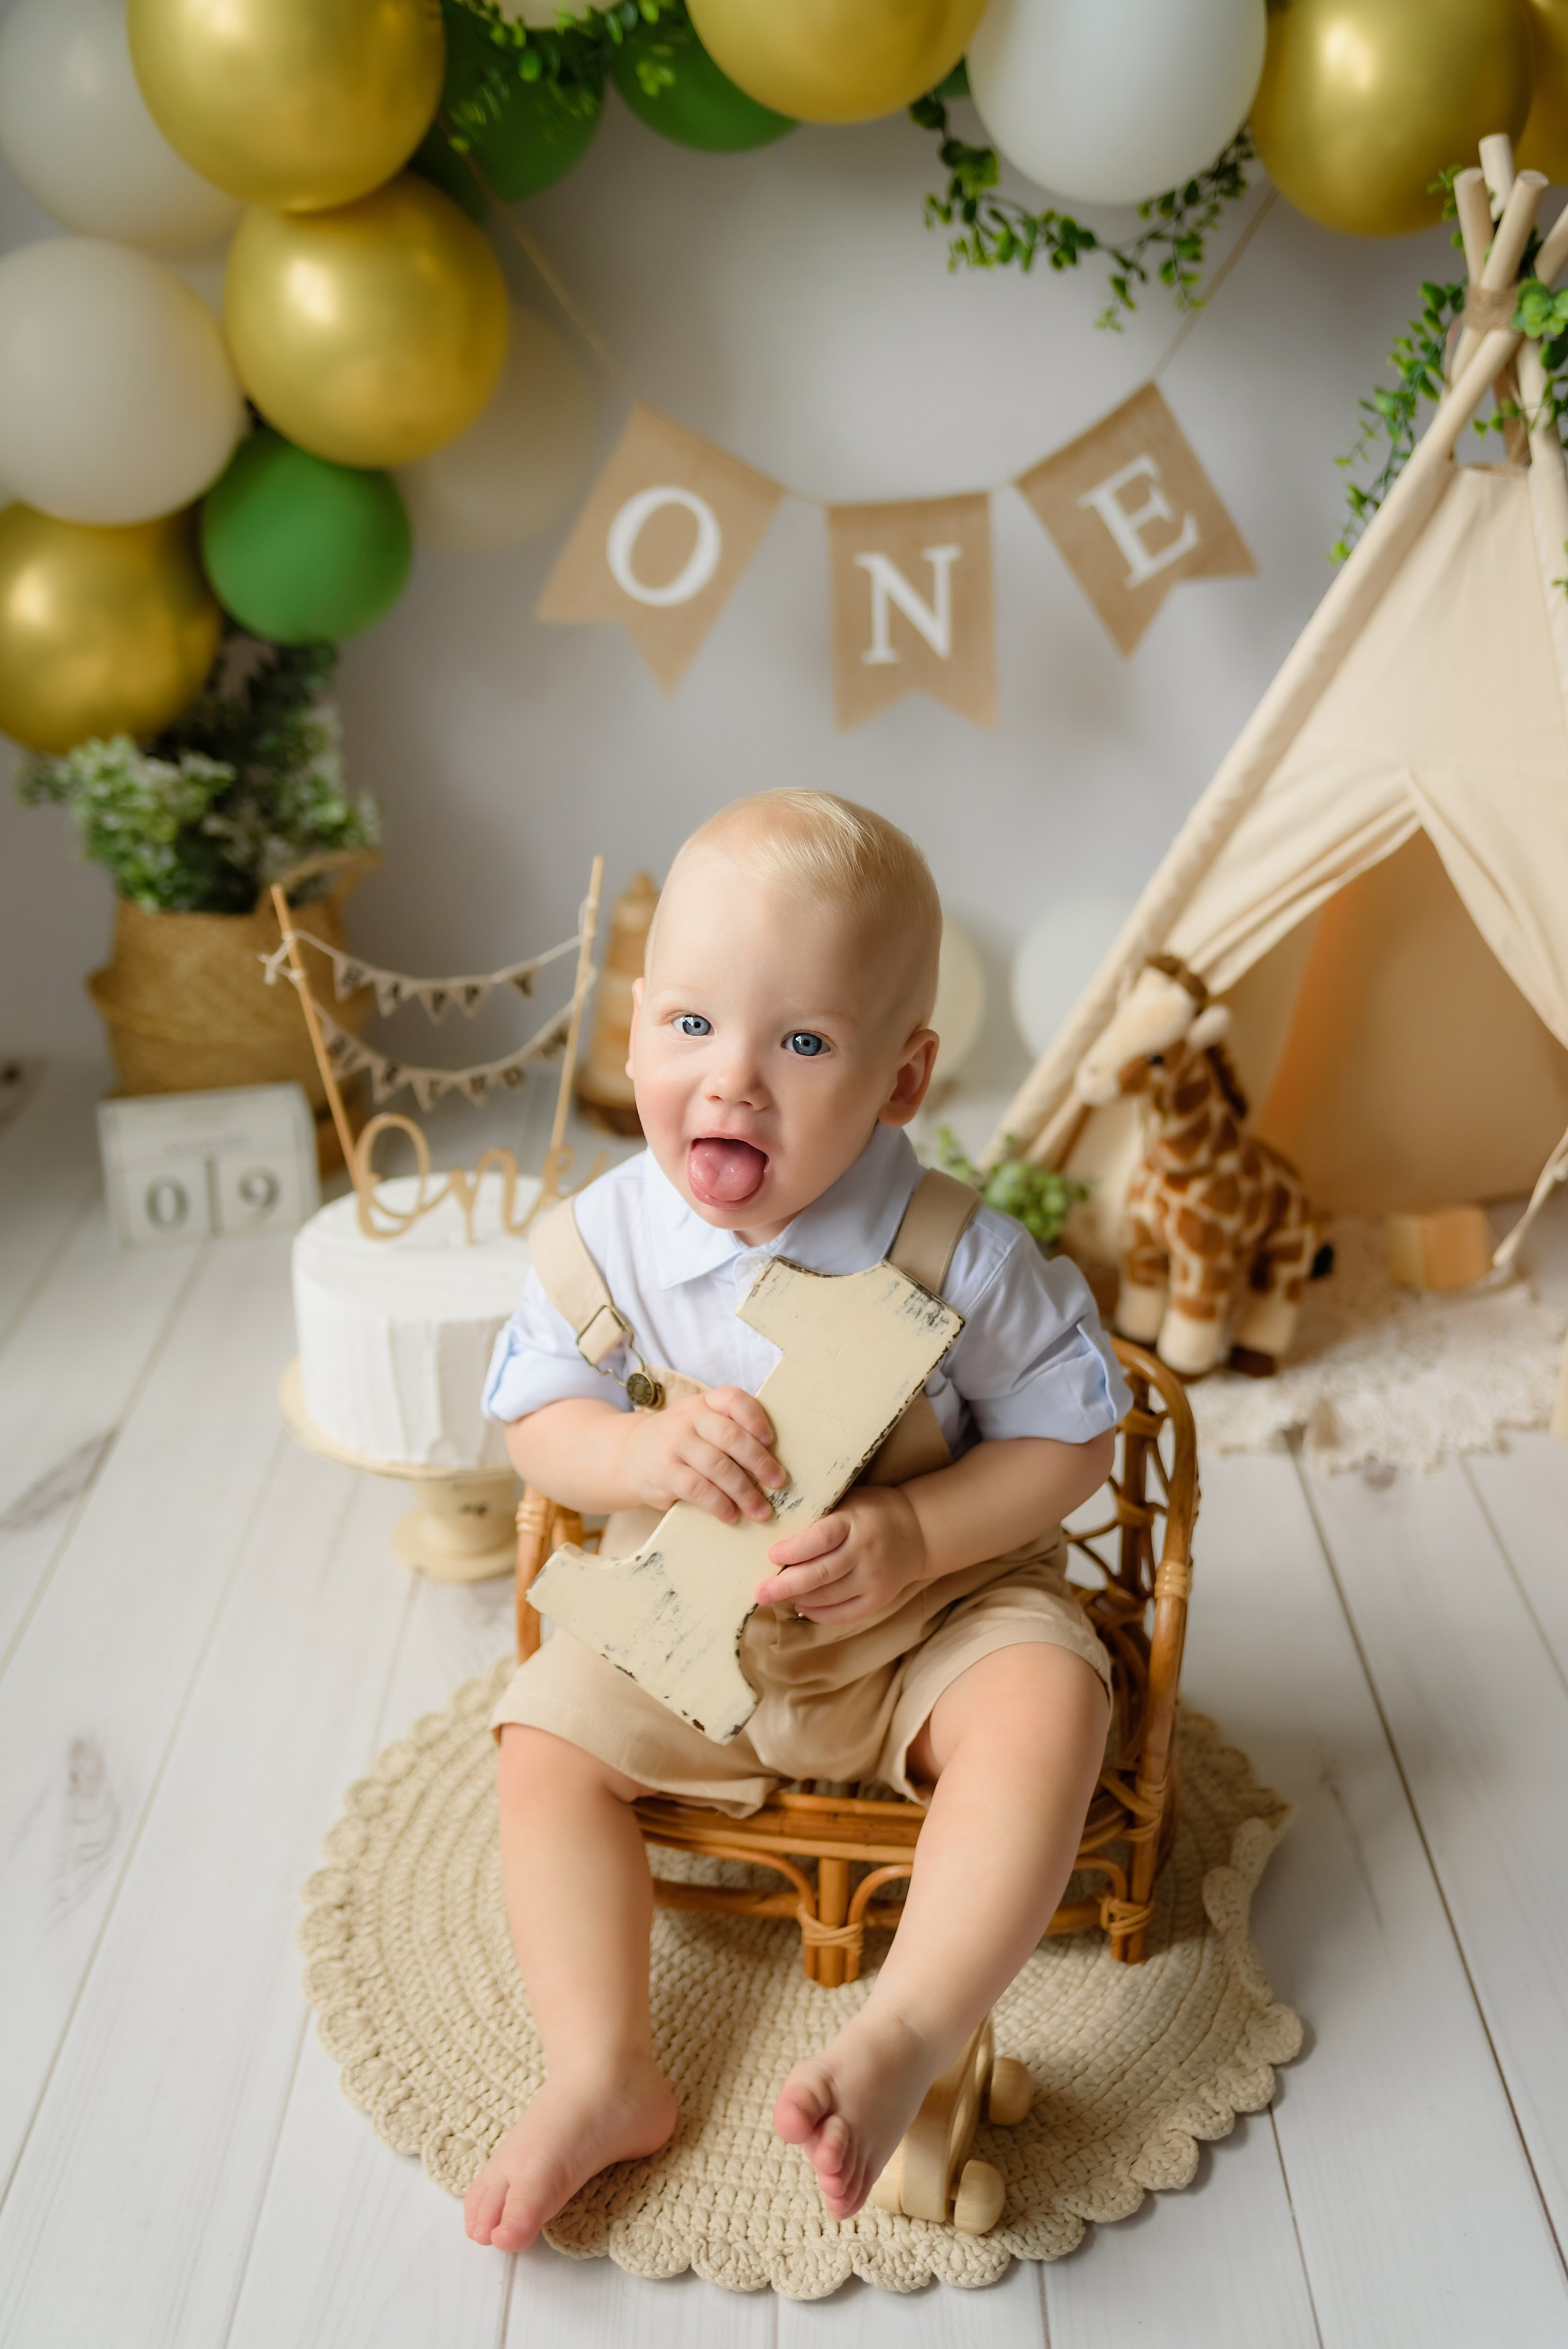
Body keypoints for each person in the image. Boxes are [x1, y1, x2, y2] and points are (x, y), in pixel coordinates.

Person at [464, 789, 1128, 2253]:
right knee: (537, 1744)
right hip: (687, 1612)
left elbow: (1075, 1438)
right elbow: (539, 1427)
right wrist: (635, 1450)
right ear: (635, 1029)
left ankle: (904, 2028)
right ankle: (600, 2070)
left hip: (922, 1621)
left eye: (802, 1044)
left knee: (1050, 1703)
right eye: (691, 1026)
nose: (731, 1085)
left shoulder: (959, 1252)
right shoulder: (606, 1238)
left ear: (900, 1081)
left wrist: (923, 1531)